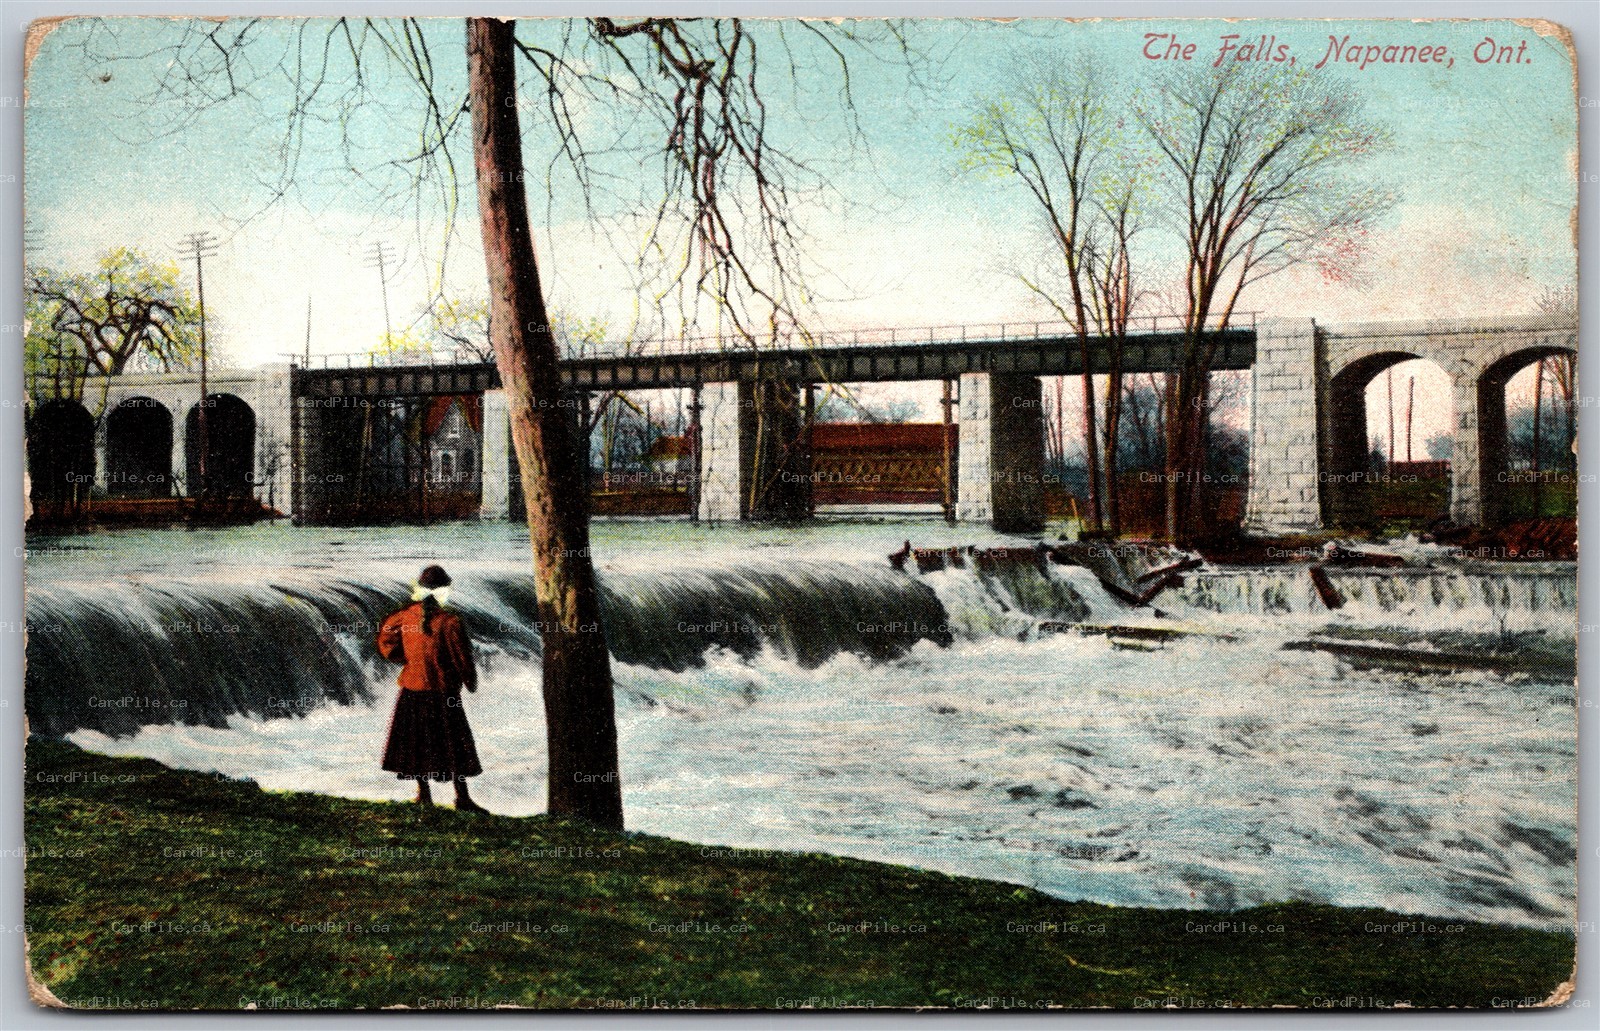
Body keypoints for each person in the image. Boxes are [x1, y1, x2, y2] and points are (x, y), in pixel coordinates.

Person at [376, 564, 487, 813]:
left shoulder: (404, 617)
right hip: (443, 692)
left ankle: (423, 794)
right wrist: (470, 682)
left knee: (417, 744)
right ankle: (462, 798)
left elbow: (386, 642)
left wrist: (409, 661)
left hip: (412, 690)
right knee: (453, 744)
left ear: (420, 589)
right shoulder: (451, 622)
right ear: (444, 591)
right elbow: (462, 659)